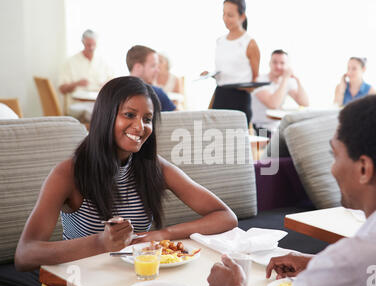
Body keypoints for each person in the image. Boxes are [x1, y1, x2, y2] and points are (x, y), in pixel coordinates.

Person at [207, 92, 376, 286]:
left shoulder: (350, 263)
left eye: (335, 155)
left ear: (364, 169)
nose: (332, 169)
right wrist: (318, 264)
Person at [15, 76, 238, 272]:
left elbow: (226, 217)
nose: (140, 127)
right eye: (129, 115)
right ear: (106, 116)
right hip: (78, 284)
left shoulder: (153, 166)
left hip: (137, 279)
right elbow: (24, 255)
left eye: (147, 119)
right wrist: (101, 243)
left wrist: (163, 234)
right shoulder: (68, 173)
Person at [201, 0, 261, 125]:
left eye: (230, 15)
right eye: (224, 14)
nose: (225, 19)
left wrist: (241, 85)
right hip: (220, 96)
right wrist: (211, 74)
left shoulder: (249, 43)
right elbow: (225, 70)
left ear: (242, 16)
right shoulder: (220, 41)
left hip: (239, 99)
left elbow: (255, 81)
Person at [58, 29, 114, 120]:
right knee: (100, 116)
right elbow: (62, 89)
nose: (91, 48)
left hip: (97, 103)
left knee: (108, 113)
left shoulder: (103, 62)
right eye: (88, 45)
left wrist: (107, 83)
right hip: (76, 105)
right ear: (83, 43)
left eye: (94, 45)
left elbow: (112, 80)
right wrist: (76, 84)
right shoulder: (70, 62)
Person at [251, 49, 309, 135]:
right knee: (279, 145)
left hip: (278, 127)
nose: (278, 66)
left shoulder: (286, 82)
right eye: (275, 62)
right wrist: (285, 78)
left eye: (282, 63)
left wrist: (297, 80)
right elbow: (273, 105)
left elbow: (304, 103)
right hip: (261, 128)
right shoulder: (259, 80)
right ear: (269, 63)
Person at [126, 45, 177, 112]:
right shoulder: (156, 93)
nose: (157, 70)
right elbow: (179, 120)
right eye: (153, 66)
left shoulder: (114, 90)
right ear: (138, 67)